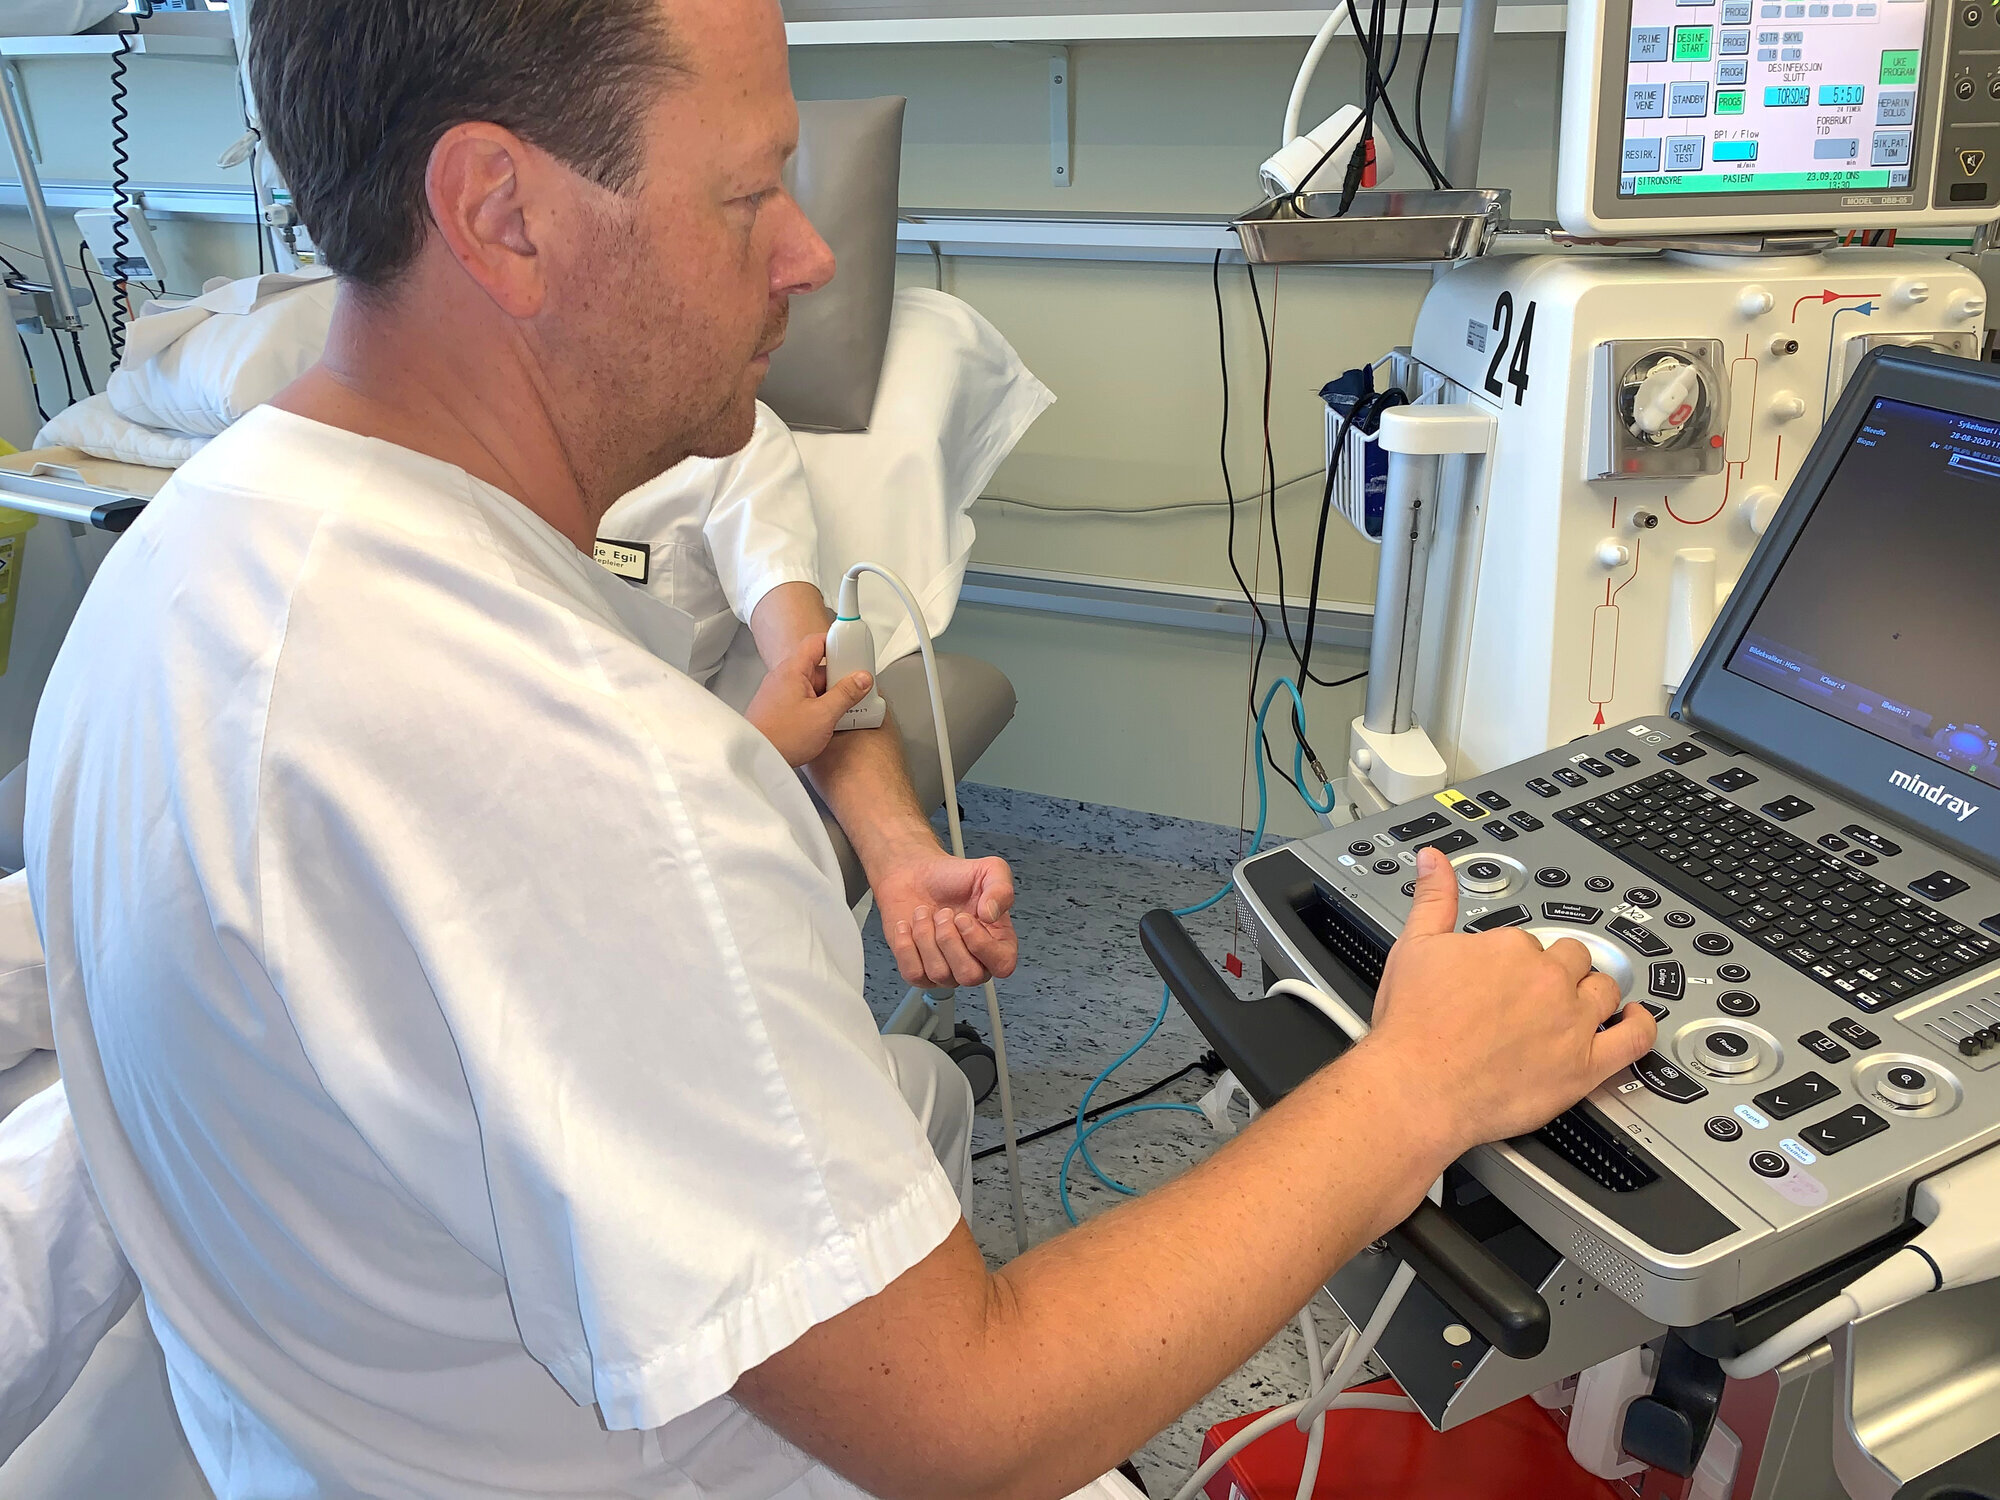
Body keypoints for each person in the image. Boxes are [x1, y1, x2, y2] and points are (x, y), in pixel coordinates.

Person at [25, 3, 1658, 1498]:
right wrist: (1411, 1092)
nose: (806, 256)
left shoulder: (188, 561)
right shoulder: (590, 772)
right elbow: (971, 1425)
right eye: (751, 196)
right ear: (501, 213)